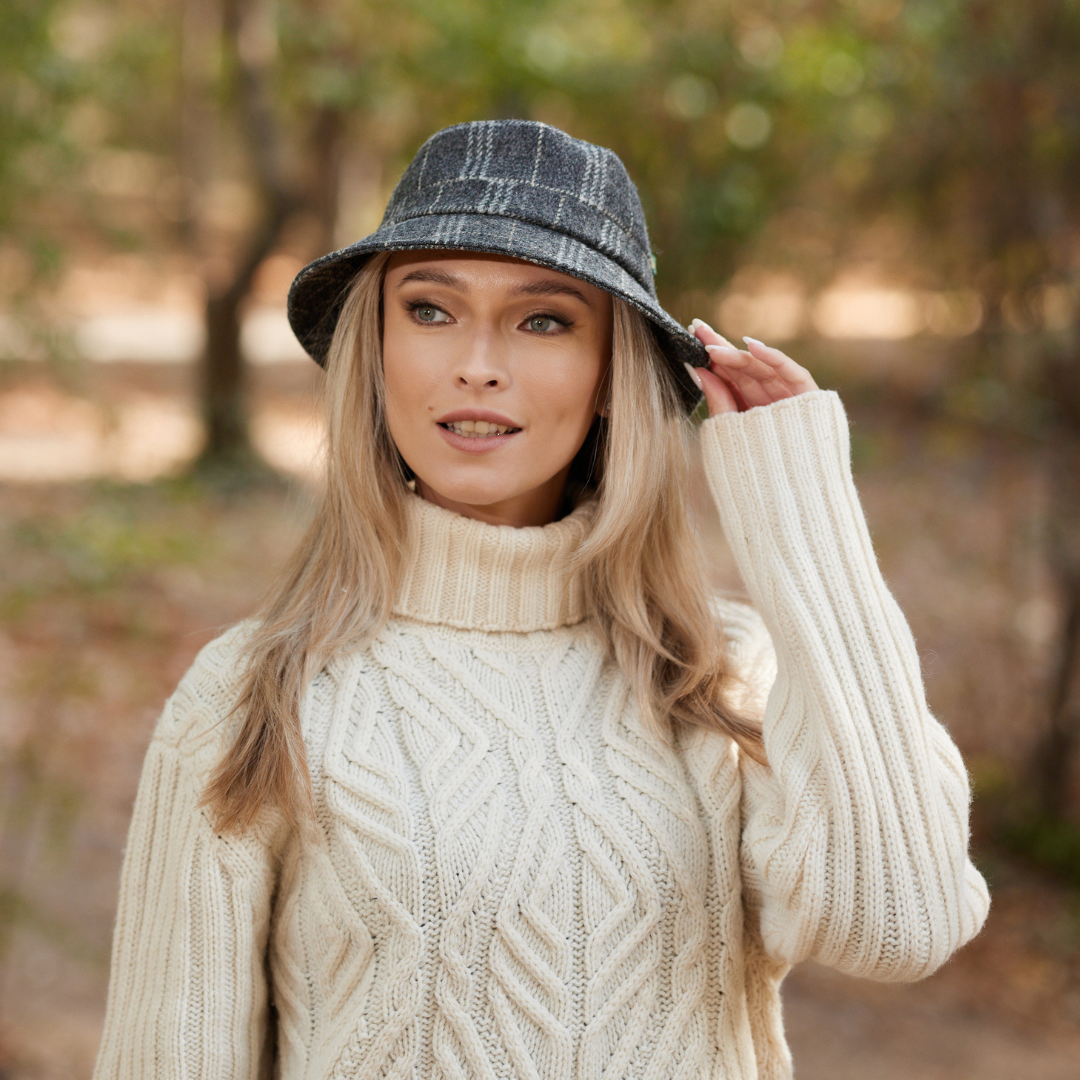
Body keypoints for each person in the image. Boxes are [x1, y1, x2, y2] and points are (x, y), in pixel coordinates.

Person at [92, 120, 989, 1080]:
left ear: (613, 376)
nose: (477, 362)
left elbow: (903, 924)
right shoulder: (253, 693)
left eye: (544, 320)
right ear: (376, 351)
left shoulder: (720, 674)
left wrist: (805, 519)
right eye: (430, 311)